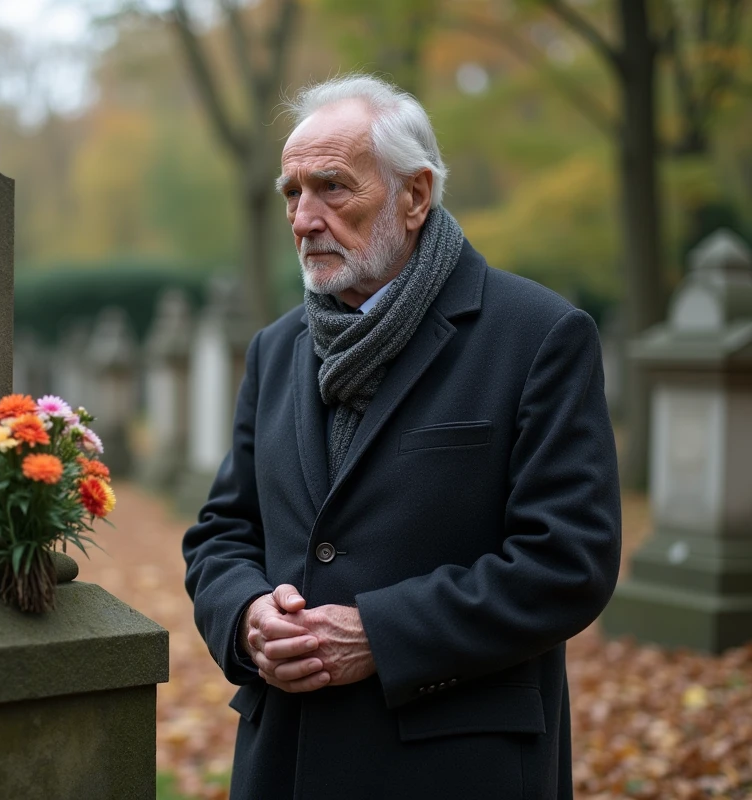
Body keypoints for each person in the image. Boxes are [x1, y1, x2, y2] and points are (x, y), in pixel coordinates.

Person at [182, 74, 621, 800]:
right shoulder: (276, 349)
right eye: (291, 193)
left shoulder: (538, 335)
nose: (303, 218)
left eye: (331, 187)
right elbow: (225, 531)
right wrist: (246, 620)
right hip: (284, 761)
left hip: (453, 764)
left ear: (414, 197)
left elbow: (568, 560)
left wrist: (382, 635)